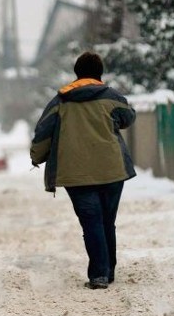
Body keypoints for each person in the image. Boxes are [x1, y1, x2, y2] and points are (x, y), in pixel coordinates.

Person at [30, 51, 136, 289]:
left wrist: (37, 157)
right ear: (100, 73)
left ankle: (99, 274)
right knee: (107, 221)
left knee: (92, 221)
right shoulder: (112, 97)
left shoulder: (61, 101)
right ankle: (107, 271)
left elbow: (42, 133)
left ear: (76, 73)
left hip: (75, 173)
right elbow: (128, 117)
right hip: (111, 170)